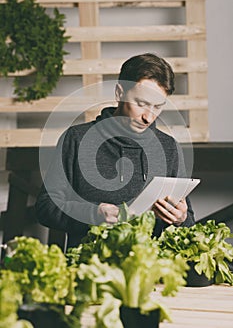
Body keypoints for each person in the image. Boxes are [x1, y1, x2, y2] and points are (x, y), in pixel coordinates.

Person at [35, 53, 195, 249]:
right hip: (87, 265)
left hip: (149, 267)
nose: (148, 117)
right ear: (119, 93)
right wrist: (94, 214)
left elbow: (188, 222)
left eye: (158, 107)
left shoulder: (168, 147)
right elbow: (45, 208)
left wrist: (181, 219)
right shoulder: (76, 139)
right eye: (142, 104)